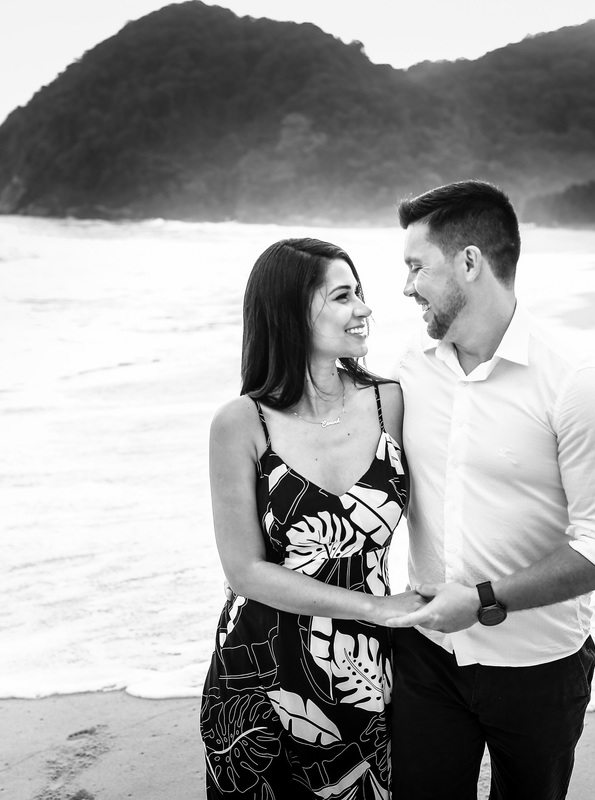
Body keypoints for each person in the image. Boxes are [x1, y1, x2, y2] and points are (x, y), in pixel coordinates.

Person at [385, 180, 595, 800]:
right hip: (426, 654)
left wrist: (483, 599)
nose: (405, 285)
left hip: (540, 666)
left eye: (417, 266)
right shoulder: (406, 369)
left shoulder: (576, 383)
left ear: (469, 262)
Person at [200, 237, 422, 799]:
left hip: (364, 674)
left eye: (361, 293)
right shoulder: (241, 423)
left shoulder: (391, 401)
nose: (365, 309)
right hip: (261, 676)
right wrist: (375, 608)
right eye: (343, 297)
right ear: (291, 313)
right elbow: (244, 571)